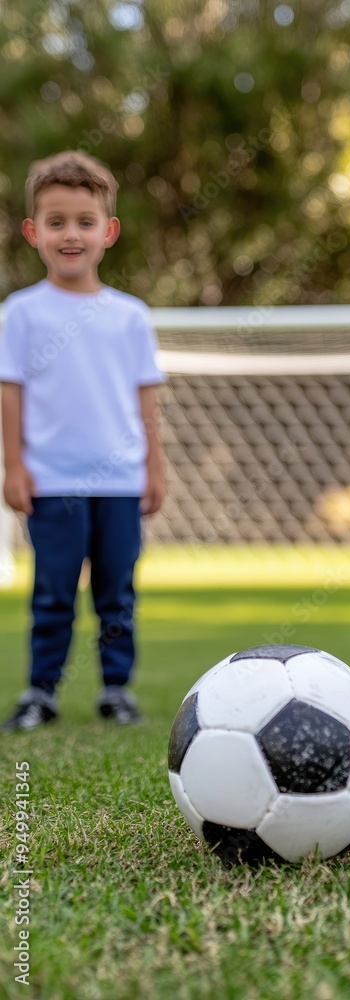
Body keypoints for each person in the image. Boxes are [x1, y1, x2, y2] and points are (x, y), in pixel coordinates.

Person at [0, 150, 166, 730]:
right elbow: (11, 394)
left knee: (117, 594)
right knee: (52, 592)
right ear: (33, 232)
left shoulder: (130, 317)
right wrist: (13, 466)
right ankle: (40, 692)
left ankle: (116, 690)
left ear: (108, 232)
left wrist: (155, 468)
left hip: (120, 480)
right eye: (56, 222)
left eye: (84, 222)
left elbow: (146, 401)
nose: (71, 234)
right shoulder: (20, 314)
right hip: (52, 481)